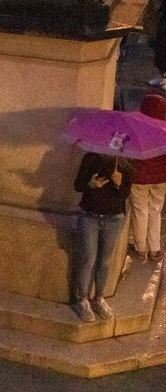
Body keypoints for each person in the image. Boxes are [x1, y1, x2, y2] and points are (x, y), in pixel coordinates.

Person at [71, 151, 133, 322]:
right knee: (88, 259)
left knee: (104, 261)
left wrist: (119, 184)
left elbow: (125, 193)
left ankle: (99, 298)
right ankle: (82, 299)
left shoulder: (126, 163)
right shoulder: (92, 157)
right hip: (90, 215)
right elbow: (78, 185)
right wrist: (90, 184)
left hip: (114, 218)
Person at [130, 94, 166, 262]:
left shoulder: (137, 126)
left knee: (140, 210)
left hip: (139, 177)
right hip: (161, 178)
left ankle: (140, 248)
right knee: (155, 210)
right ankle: (154, 248)